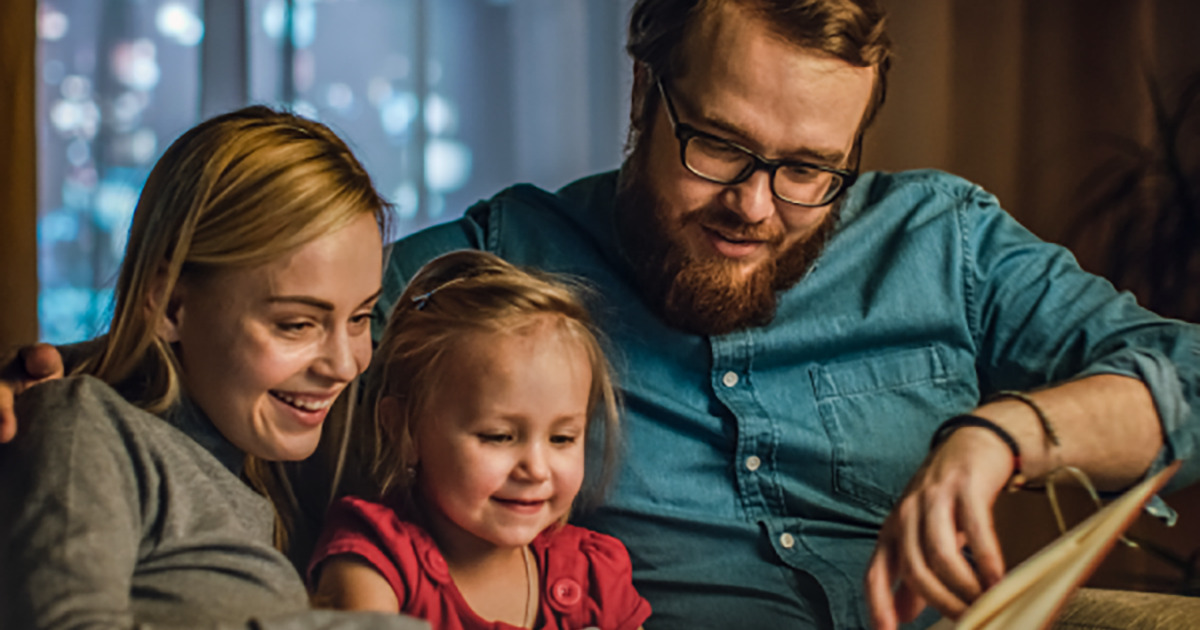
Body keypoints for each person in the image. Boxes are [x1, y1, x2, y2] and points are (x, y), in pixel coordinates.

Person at [5, 1, 1200, 629]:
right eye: (720, 144)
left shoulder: (945, 239)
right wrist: (61, 386)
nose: (755, 207)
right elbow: (265, 325)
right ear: (643, 88)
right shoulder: (496, 264)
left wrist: (1006, 434)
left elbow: (1181, 371)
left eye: (810, 169)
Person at [0, 106, 425, 630]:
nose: (345, 364)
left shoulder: (251, 481)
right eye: (296, 324)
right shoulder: (86, 425)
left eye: (360, 317)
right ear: (169, 306)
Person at [307, 250, 651, 630]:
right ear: (404, 431)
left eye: (562, 438)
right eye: (499, 436)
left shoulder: (596, 575)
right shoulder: (374, 559)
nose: (536, 469)